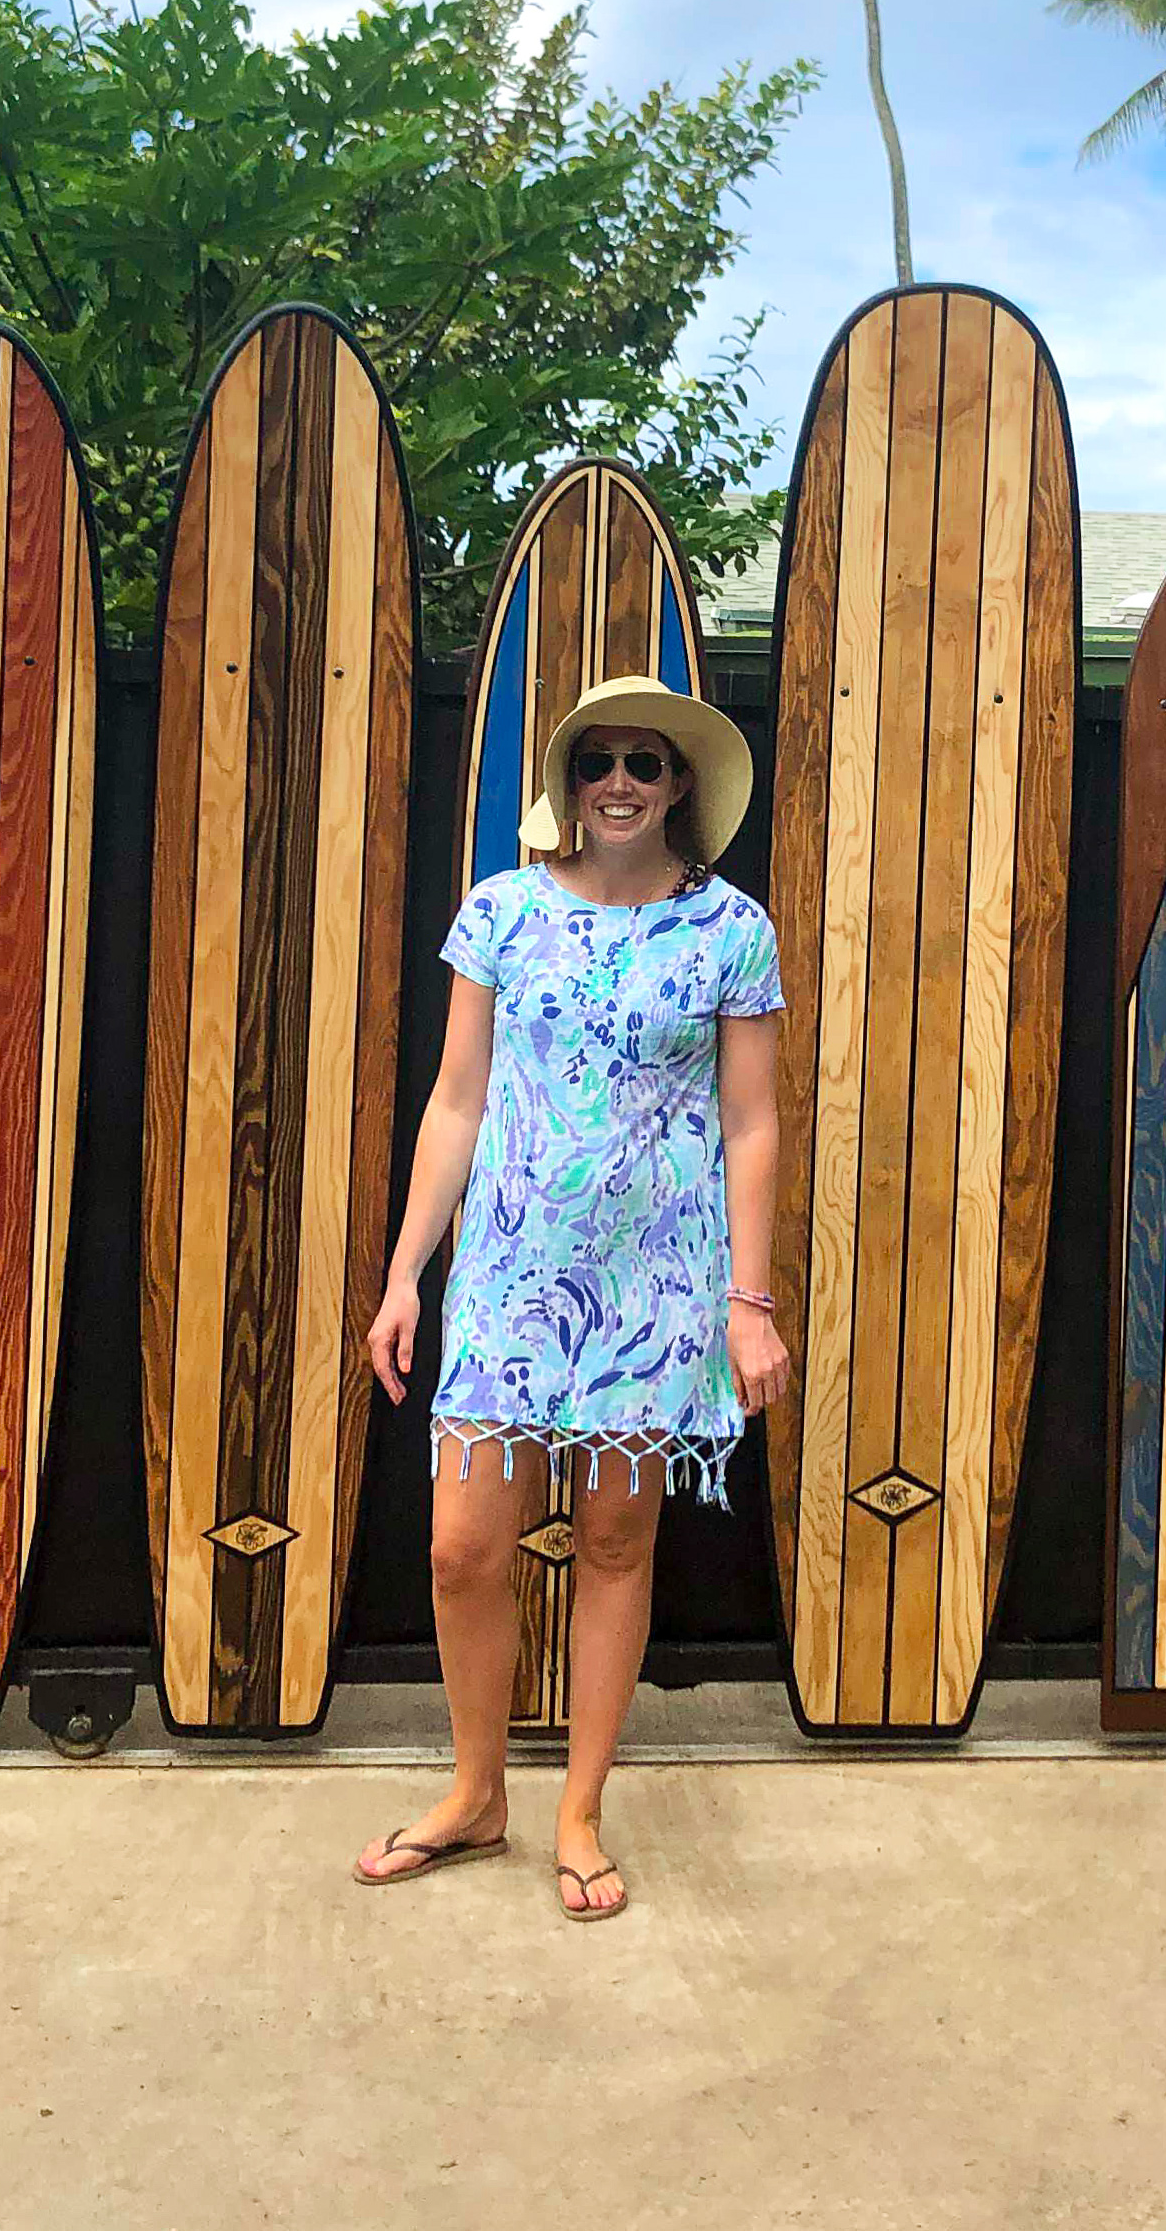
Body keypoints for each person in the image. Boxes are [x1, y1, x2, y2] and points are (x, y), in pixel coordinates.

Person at [353, 670, 789, 1917]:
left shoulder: (730, 930)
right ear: (565, 778)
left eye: (645, 762)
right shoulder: (499, 913)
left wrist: (746, 1301)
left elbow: (752, 1122)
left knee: (614, 1540)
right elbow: (456, 1098)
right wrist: (403, 1275)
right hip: (505, 1274)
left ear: (681, 785)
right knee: (459, 1547)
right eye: (597, 758)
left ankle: (580, 1809)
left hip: (657, 1279)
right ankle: (476, 1789)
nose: (618, 782)